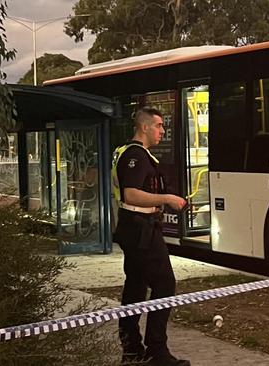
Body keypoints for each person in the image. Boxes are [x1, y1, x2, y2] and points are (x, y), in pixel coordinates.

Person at [112, 106, 189, 366]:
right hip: (140, 227)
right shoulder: (135, 155)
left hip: (135, 226)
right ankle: (157, 352)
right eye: (158, 126)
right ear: (144, 127)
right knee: (165, 284)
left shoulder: (132, 153)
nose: (162, 131)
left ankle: (132, 350)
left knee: (135, 285)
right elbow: (131, 194)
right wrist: (166, 198)